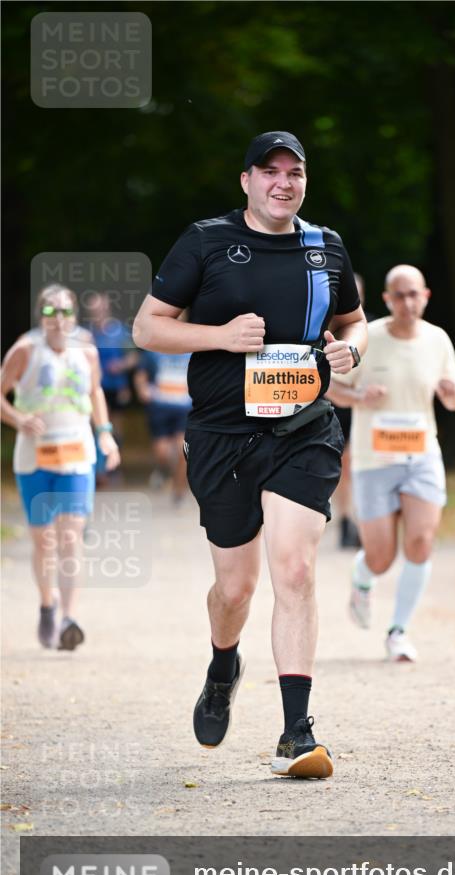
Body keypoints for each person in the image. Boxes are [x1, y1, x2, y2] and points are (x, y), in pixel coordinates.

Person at [133, 131, 366, 779]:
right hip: (221, 436)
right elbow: (146, 326)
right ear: (246, 181)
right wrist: (219, 336)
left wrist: (353, 349)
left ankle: (297, 733)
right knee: (235, 588)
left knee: (294, 570)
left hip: (304, 428)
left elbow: (353, 320)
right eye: (269, 172)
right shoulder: (206, 241)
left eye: (294, 172)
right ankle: (220, 664)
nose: (282, 183)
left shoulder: (325, 247)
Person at [327, 265, 455, 662]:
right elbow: (331, 385)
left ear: (426, 296)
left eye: (414, 295)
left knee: (421, 541)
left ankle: (398, 631)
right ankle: (363, 576)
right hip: (374, 459)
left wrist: (453, 393)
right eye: (399, 296)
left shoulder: (437, 339)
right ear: (387, 300)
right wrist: (359, 398)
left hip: (421, 455)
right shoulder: (368, 338)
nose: (408, 303)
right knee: (381, 556)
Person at [0, 284, 120, 649]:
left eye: (66, 311)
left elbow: (95, 392)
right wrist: (19, 419)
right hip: (34, 457)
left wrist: (105, 433)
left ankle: (69, 617)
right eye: (51, 312)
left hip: (76, 453)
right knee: (44, 540)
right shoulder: (25, 349)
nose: (59, 319)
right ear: (41, 316)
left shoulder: (86, 349)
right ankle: (47, 606)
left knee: (70, 537)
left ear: (74, 316)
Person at [330, 273, 372, 549]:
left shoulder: (371, 328)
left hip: (362, 405)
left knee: (353, 465)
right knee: (342, 467)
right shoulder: (318, 325)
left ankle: (354, 521)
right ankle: (345, 518)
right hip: (328, 404)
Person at [85, 291, 137, 484]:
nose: (97, 311)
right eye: (93, 309)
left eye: (100, 308)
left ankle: (113, 467)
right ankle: (98, 471)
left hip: (116, 387)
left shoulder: (120, 330)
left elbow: (133, 358)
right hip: (94, 387)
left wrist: (121, 366)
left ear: (107, 307)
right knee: (96, 426)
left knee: (115, 428)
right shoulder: (87, 333)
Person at [134, 346, 192, 504]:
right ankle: (163, 471)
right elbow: (141, 374)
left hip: (185, 408)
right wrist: (142, 390)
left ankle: (178, 490)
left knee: (182, 452)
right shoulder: (153, 350)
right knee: (163, 453)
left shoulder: (193, 349)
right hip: (160, 407)